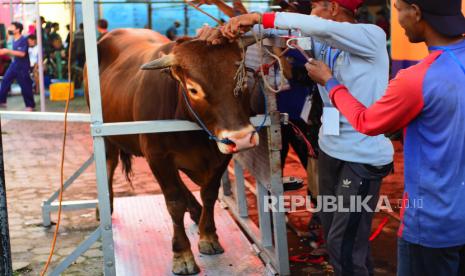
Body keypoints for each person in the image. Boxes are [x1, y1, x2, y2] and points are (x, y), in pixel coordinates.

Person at [217, 1, 394, 274]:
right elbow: (275, 33)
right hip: (331, 148)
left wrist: (256, 15)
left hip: (361, 154)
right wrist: (225, 31)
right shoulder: (320, 38)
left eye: (314, 6)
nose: (309, 13)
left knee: (342, 242)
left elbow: (315, 25)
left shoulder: (371, 35)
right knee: (342, 234)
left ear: (333, 7)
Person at [305, 0, 465, 275]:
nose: (397, 20)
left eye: (399, 9)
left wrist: (330, 82)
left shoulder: (416, 79)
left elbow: (367, 122)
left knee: (345, 243)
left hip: (431, 223)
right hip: (457, 217)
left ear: (416, 12)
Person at [0, 22, 35, 111]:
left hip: (22, 66)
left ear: (18, 29)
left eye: (12, 27)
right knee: (5, 81)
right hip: (14, 64)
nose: (10, 28)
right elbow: (14, 53)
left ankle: (30, 105)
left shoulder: (23, 39)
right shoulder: (13, 40)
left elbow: (22, 54)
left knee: (25, 85)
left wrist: (7, 51)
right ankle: (2, 101)